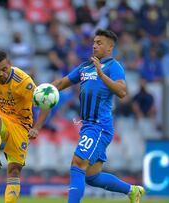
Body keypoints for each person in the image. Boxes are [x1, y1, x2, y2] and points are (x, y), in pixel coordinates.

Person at [32, 29, 145, 203]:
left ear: (110, 47)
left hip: (100, 127)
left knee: (77, 163)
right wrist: (42, 90)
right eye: (94, 42)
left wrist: (101, 74)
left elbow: (122, 91)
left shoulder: (114, 66)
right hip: (88, 127)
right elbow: (62, 83)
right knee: (92, 176)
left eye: (99, 43)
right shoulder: (85, 67)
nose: (94, 45)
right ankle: (132, 190)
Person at [0, 51, 49, 203]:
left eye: (4, 69)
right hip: (3, 118)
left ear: (10, 65)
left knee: (14, 170)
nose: (0, 73)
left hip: (21, 125)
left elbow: (45, 103)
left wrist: (36, 127)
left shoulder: (23, 81)